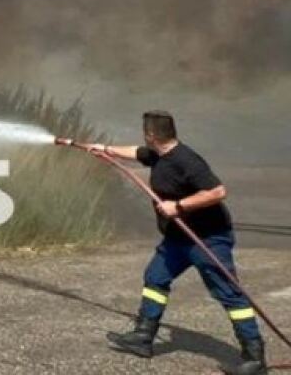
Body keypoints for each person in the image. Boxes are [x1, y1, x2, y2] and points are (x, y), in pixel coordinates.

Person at [92, 110, 266, 375]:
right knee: (155, 277)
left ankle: (254, 358)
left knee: (228, 294)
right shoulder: (158, 154)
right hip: (177, 239)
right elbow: (136, 152)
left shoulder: (187, 160)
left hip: (207, 239)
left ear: (151, 135)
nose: (143, 137)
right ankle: (143, 337)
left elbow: (218, 191)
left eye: (145, 132)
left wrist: (180, 205)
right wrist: (105, 149)